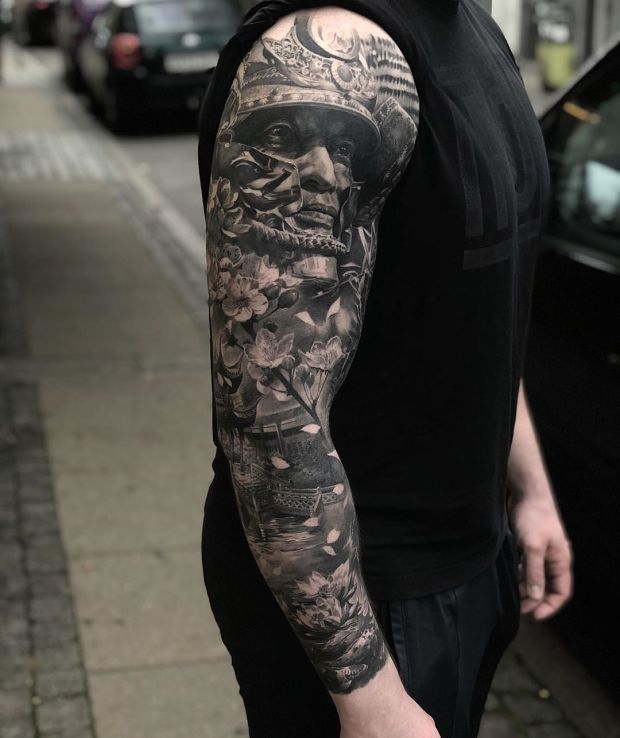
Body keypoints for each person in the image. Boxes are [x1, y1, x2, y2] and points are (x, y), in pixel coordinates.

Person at [198, 2, 573, 737]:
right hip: (362, 595)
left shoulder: (471, 25)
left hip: (467, 561)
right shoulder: (329, 60)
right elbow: (268, 416)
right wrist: (368, 697)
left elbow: (477, 307)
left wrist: (529, 489)